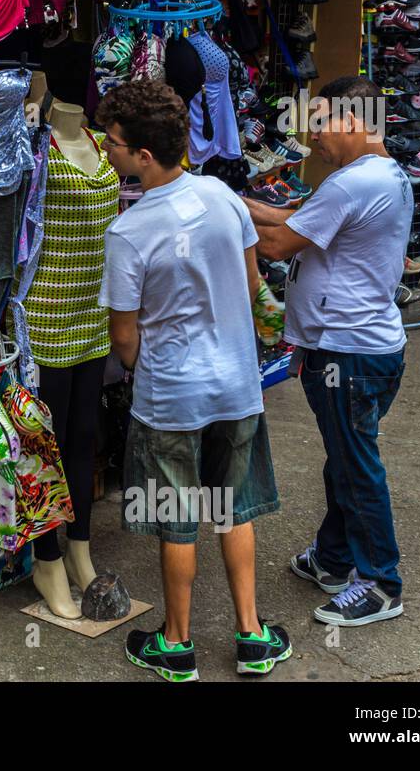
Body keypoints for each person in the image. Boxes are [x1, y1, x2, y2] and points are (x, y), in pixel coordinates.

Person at [97, 79, 290, 682]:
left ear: (142, 157)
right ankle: (252, 636)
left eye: (114, 142)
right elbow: (255, 283)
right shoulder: (224, 198)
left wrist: (140, 371)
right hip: (236, 384)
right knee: (232, 510)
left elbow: (124, 335)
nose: (107, 149)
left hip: (171, 397)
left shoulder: (129, 232)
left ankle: (177, 645)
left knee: (176, 515)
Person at [247, 75, 412, 627]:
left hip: (349, 353)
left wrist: (218, 213)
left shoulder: (352, 184)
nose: (310, 134)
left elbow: (276, 241)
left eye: (320, 121)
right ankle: (335, 558)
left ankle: (380, 583)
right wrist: (237, 200)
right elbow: (294, 219)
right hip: (365, 348)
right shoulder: (376, 174)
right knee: (346, 458)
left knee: (355, 466)